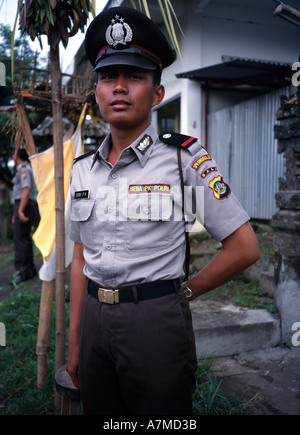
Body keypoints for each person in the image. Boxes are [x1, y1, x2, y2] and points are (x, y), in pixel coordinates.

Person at [67, 6, 260, 415]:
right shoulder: (83, 170)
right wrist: (76, 343)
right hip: (93, 322)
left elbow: (243, 247)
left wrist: (181, 295)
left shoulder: (182, 159)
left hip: (155, 322)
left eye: (134, 76)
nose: (119, 87)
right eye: (108, 77)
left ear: (157, 92)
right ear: (96, 91)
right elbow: (80, 257)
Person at [11, 146, 37, 284]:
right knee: (23, 238)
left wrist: (20, 210)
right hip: (23, 204)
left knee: (20, 239)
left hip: (23, 204)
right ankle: (29, 269)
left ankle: (23, 271)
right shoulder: (24, 168)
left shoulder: (23, 169)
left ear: (16, 156)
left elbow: (26, 191)